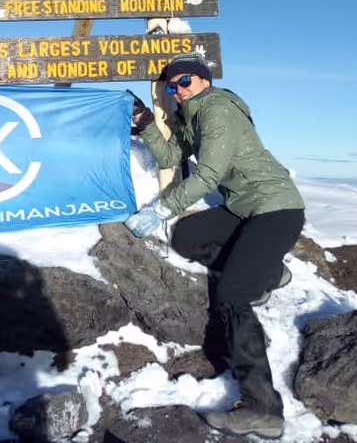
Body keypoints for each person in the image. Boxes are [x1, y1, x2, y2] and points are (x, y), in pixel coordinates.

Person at [125, 52, 305, 440]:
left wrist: (161, 209)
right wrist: (145, 124)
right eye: (171, 86)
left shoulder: (217, 110)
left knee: (233, 295)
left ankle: (263, 408)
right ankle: (270, 271)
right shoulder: (194, 118)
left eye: (184, 82)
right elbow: (174, 156)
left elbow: (209, 173)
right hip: (244, 209)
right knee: (188, 237)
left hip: (275, 208)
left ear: (204, 80)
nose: (178, 90)